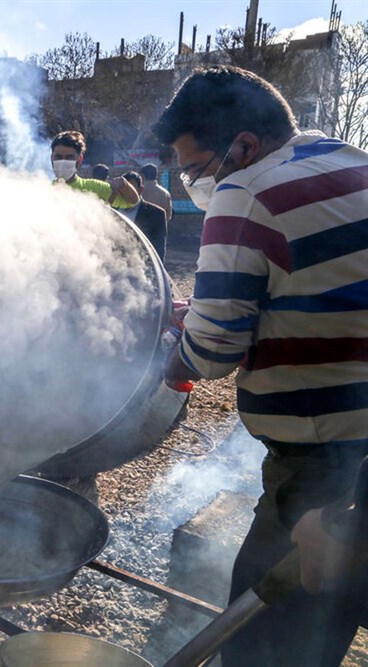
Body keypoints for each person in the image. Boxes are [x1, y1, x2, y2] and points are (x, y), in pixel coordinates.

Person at [155, 65, 368, 667]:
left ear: (242, 146)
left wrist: (172, 363)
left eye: (194, 168)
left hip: (326, 469)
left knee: (263, 643)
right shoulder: (346, 158)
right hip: (360, 461)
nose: (193, 182)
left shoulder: (244, 190)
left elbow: (213, 351)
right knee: (324, 631)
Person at [50, 131, 139, 209]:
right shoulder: (43, 190)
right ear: (51, 158)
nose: (63, 161)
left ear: (79, 159)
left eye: (69, 157)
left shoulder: (95, 188)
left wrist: (125, 185)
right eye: (58, 157)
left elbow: (131, 202)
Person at [120, 170, 167, 261]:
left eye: (131, 189)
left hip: (141, 267)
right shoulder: (112, 209)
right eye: (124, 189)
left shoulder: (156, 214)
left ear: (140, 190)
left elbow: (158, 251)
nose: (127, 193)